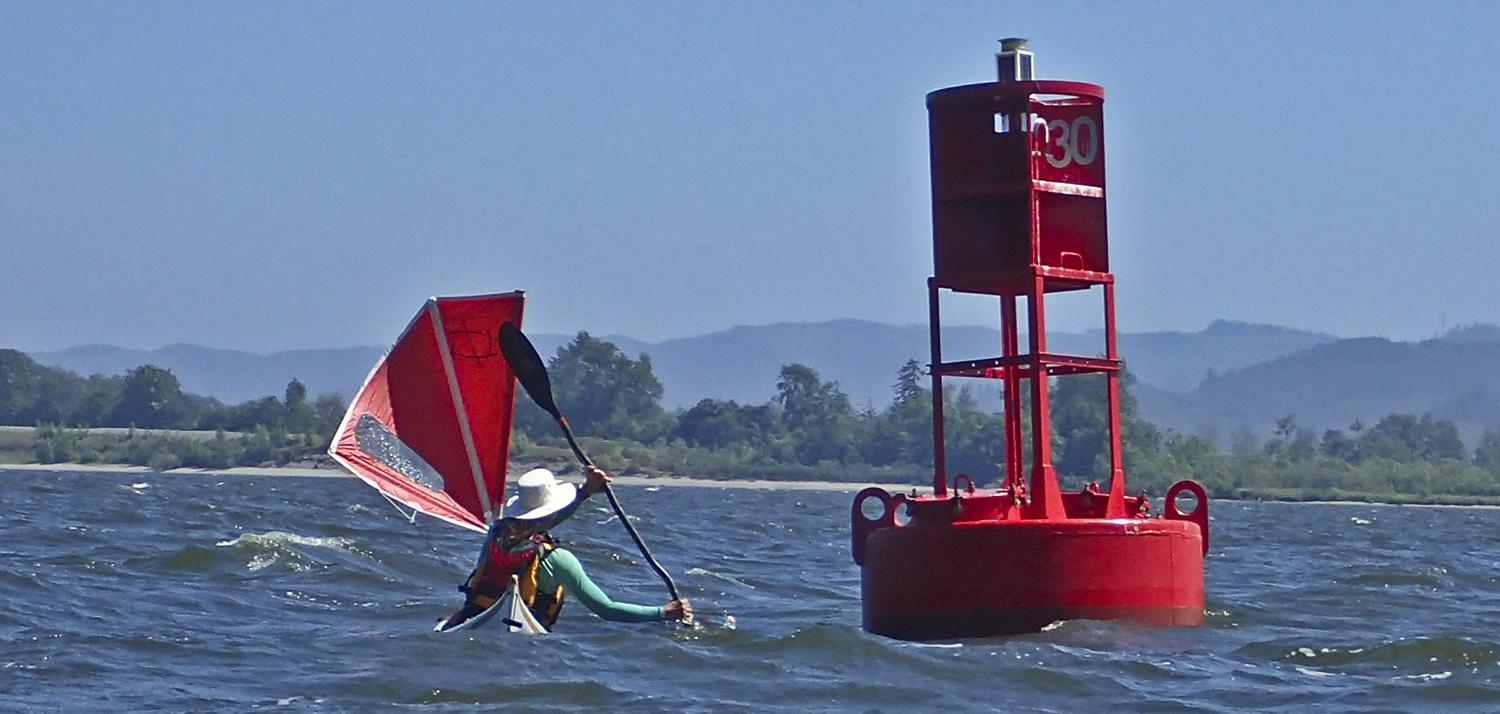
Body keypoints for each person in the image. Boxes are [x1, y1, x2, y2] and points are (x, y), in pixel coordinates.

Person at [440, 465, 691, 631]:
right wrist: (662, 613)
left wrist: (585, 492)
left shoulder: (497, 534)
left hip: (472, 619)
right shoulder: (559, 560)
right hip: (524, 642)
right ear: (551, 513)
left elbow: (535, 523)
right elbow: (606, 609)